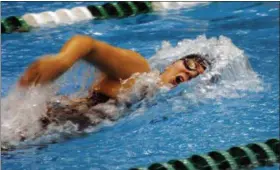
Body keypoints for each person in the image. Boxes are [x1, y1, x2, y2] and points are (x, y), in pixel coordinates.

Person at [18, 35, 210, 131]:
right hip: (40, 123)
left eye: (195, 76)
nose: (189, 73)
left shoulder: (158, 103)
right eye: (189, 64)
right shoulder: (138, 71)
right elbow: (87, 44)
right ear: (172, 63)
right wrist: (63, 60)